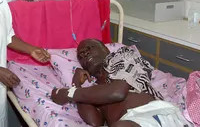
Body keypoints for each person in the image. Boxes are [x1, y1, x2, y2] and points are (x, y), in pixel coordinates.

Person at [51, 39, 190, 127]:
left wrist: (69, 93)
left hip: (156, 115)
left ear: (105, 50)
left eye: (89, 49)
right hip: (130, 122)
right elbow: (95, 121)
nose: (85, 54)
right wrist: (76, 84)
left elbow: (118, 92)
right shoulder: (92, 91)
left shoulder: (123, 58)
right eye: (81, 56)